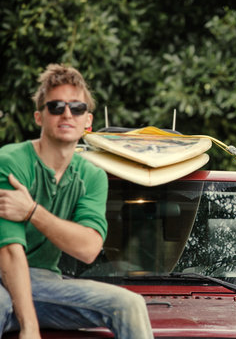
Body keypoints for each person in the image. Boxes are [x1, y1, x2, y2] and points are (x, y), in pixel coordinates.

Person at [0, 64, 153, 338]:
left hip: (45, 283)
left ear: (88, 120)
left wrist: (33, 211)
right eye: (56, 106)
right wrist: (30, 327)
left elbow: (88, 248)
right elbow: (9, 253)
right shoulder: (11, 161)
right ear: (39, 117)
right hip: (2, 278)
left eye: (77, 108)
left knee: (130, 304)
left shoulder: (92, 176)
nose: (67, 114)